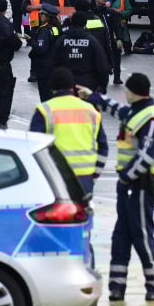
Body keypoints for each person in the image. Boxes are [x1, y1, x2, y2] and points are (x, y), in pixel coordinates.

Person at [77, 73, 154, 302]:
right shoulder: (137, 112)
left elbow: (147, 155)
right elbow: (117, 109)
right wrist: (93, 97)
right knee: (121, 237)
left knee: (142, 235)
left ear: (132, 91)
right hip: (129, 185)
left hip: (140, 186)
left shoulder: (150, 118)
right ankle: (117, 287)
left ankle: (153, 285)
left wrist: (127, 177)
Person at [31, 67, 107, 267]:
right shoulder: (91, 110)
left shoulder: (45, 110)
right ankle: (86, 265)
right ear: (73, 87)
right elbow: (103, 146)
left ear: (52, 87)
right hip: (84, 180)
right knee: (82, 227)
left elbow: (33, 146)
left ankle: (57, 265)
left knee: (56, 227)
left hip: (55, 180)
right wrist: (94, 173)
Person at [53, 11, 110, 94]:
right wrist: (102, 86)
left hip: (65, 85)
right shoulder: (92, 41)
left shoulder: (62, 40)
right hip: (87, 85)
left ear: (71, 22)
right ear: (85, 23)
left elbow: (53, 62)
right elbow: (101, 65)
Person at [0, 0, 22, 127]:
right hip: (3, 62)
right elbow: (15, 42)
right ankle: (1, 119)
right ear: (5, 9)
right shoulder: (5, 23)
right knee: (5, 92)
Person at [29, 4, 63, 101]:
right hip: (55, 65)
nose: (40, 16)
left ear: (47, 17)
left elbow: (41, 48)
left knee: (45, 94)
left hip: (44, 66)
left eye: (42, 14)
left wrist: (32, 41)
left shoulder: (44, 30)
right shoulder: (56, 28)